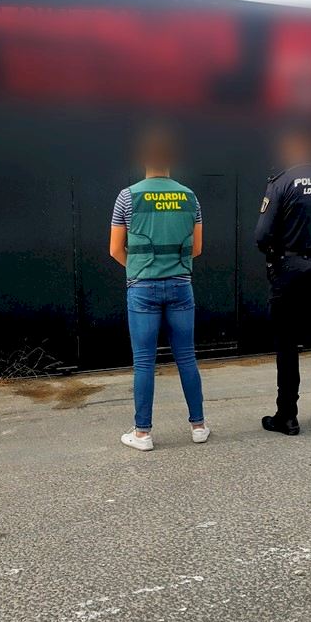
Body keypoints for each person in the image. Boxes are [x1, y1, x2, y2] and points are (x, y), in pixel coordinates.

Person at [109, 126, 210, 451]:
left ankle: (143, 434)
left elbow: (115, 249)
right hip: (181, 286)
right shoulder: (190, 197)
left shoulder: (127, 196)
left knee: (144, 361)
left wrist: (140, 269)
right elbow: (196, 249)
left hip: (142, 289)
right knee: (186, 357)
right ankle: (198, 426)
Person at [254, 129, 311, 435]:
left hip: (289, 267)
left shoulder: (281, 182)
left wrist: (277, 250)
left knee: (287, 342)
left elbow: (262, 235)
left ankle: (287, 416)